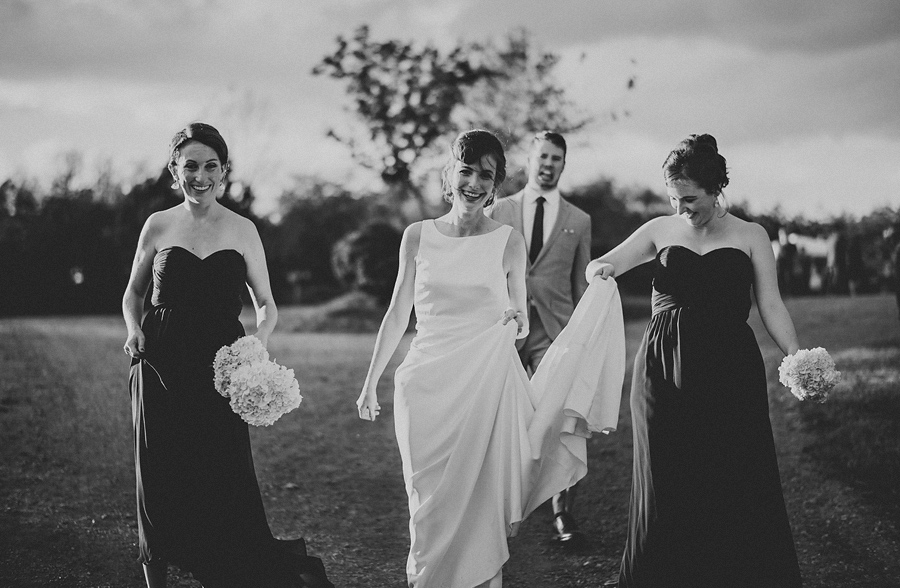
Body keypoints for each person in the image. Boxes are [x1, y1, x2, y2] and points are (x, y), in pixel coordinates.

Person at [357, 129, 624, 588]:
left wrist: (514, 320)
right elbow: (399, 311)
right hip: (423, 386)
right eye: (466, 171)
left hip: (481, 385)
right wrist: (370, 381)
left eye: (486, 175)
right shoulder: (416, 237)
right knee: (425, 502)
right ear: (450, 174)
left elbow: (519, 317)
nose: (474, 184)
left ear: (496, 183)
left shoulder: (508, 241)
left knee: (478, 498)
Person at [122, 123, 333, 588]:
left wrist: (256, 345)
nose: (200, 176)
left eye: (210, 166)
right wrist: (134, 329)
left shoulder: (243, 230)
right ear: (174, 171)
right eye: (190, 166)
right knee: (158, 479)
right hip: (160, 366)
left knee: (222, 478)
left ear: (225, 171)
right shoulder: (158, 225)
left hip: (222, 372)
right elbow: (133, 294)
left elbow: (267, 304)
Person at [587, 134, 803, 588]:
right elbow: (601, 264)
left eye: (690, 199)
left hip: (730, 370)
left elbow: (771, 303)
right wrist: (601, 272)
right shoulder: (658, 231)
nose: (682, 208)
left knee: (732, 472)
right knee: (668, 476)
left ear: (716, 188)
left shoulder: (751, 235)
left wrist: (796, 356)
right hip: (661, 369)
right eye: (673, 199)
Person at [489, 131, 592, 544]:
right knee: (499, 416)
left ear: (564, 164)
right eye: (542, 156)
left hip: (555, 332)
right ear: (529, 160)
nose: (548, 164)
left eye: (556, 158)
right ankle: (497, 507)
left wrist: (584, 339)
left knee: (561, 418)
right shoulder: (499, 209)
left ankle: (562, 512)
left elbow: (582, 285)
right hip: (505, 332)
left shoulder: (579, 220)